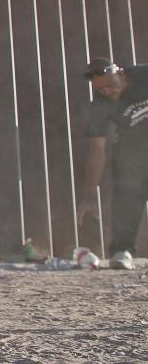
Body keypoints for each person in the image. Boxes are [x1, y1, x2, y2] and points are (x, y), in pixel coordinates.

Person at [78, 57, 148, 271]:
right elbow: (97, 149)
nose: (107, 92)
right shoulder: (99, 105)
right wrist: (90, 193)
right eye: (100, 89)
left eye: (110, 85)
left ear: (120, 73)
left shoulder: (143, 75)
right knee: (127, 191)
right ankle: (122, 251)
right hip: (133, 151)